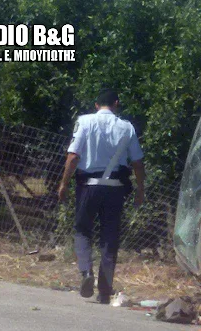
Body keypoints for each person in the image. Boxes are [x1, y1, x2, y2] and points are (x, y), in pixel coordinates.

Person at [57, 89, 145, 304]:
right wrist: (141, 189)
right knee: (109, 238)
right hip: (115, 188)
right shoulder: (127, 127)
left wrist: (64, 184)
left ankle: (86, 272)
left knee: (82, 230)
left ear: (96, 105)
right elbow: (137, 162)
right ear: (116, 104)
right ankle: (105, 290)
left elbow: (73, 156)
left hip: (89, 186)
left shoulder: (85, 122)